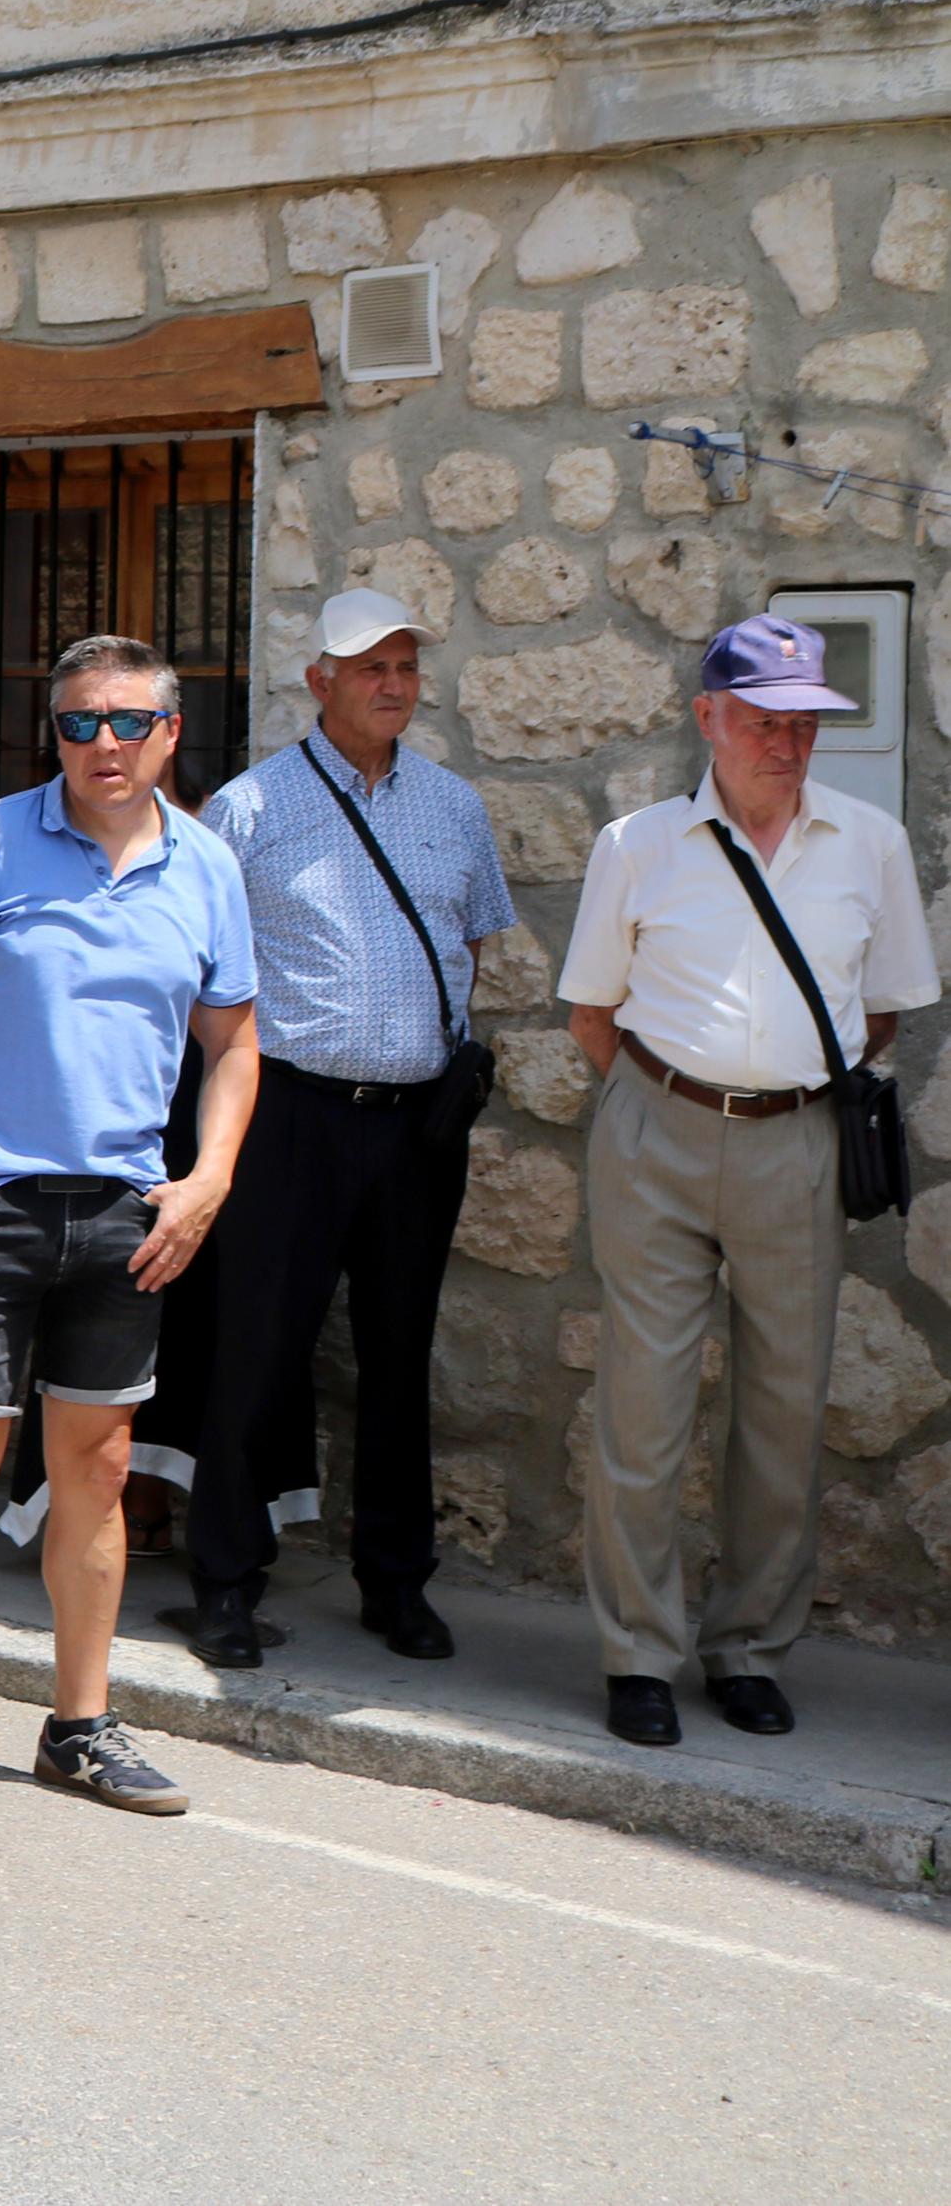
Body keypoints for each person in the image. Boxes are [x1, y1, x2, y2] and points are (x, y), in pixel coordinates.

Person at [0, 635, 256, 1816]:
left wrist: (207, 1182)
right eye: (76, 722)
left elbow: (233, 1042)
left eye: (125, 721)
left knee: (94, 1471)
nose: (101, 742)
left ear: (167, 733)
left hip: (124, 1212)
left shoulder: (204, 866)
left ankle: (78, 1724)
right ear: (51, 734)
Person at [560, 613, 937, 1748]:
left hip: (797, 1141)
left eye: (802, 722)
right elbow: (589, 1014)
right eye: (763, 719)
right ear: (707, 720)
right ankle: (635, 1651)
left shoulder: (868, 843)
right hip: (655, 1133)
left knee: (783, 1406)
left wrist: (777, 1086)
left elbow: (879, 1011)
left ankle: (748, 1649)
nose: (785, 741)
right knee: (643, 1401)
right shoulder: (636, 844)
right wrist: (664, 1101)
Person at [170, 591, 513, 1668]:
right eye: (369, 667)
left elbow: (473, 943)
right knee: (256, 1345)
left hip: (415, 1126)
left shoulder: (454, 807)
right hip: (288, 1117)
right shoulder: (250, 808)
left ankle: (394, 1581)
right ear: (318, 682)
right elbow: (202, 974)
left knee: (398, 1356)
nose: (393, 683)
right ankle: (225, 1579)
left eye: (405, 665)